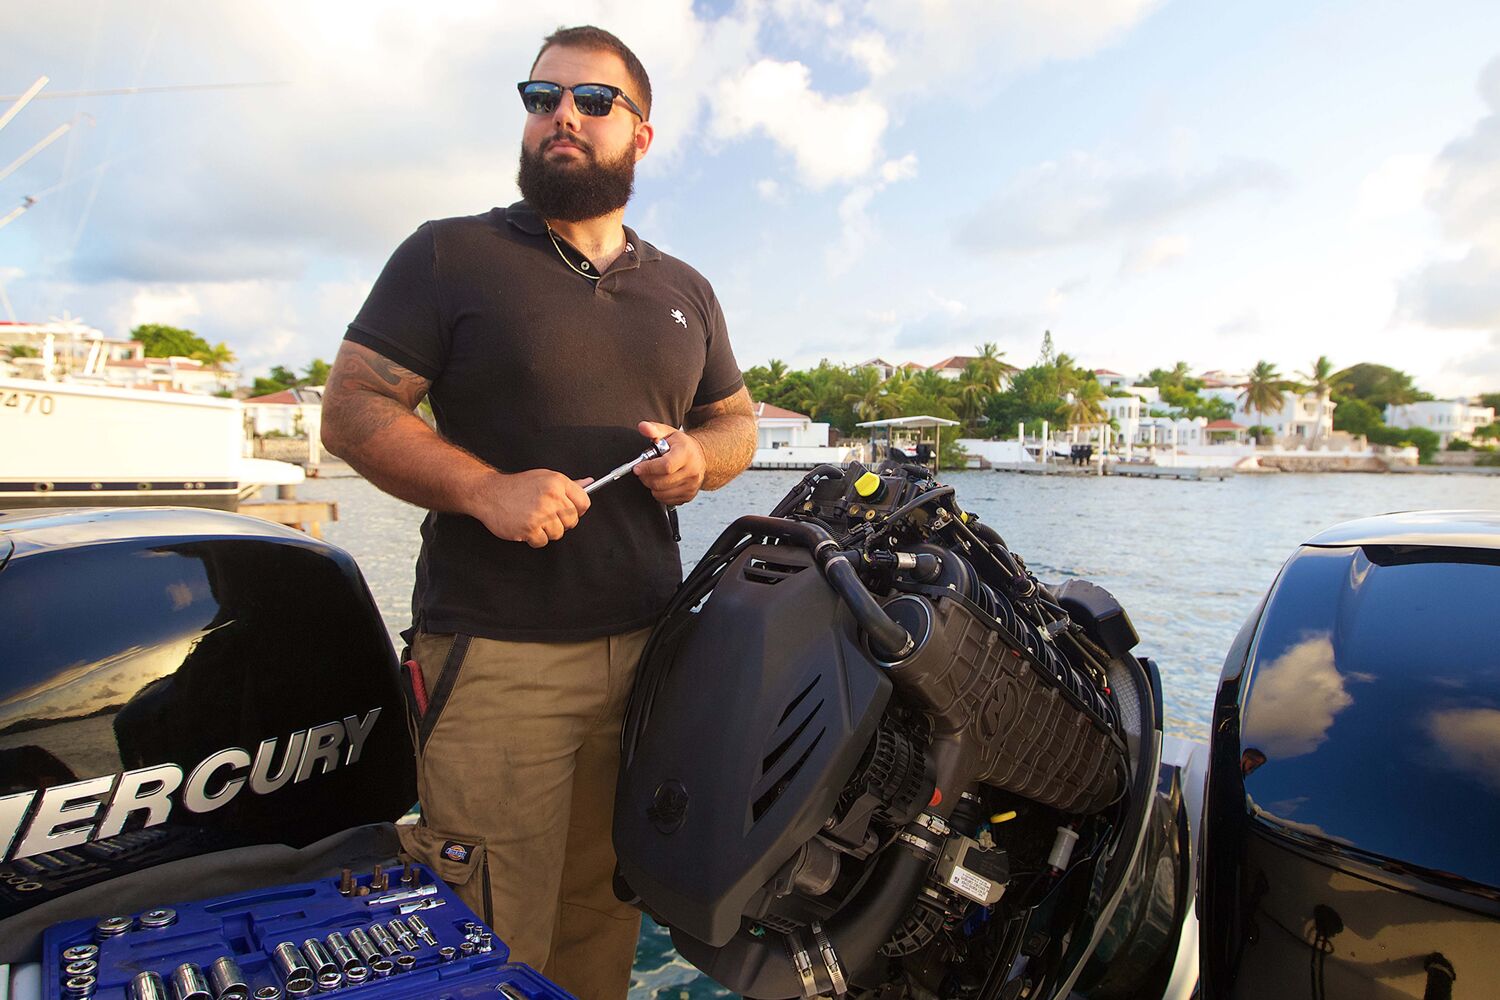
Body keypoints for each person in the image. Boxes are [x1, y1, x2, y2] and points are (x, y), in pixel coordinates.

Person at [320, 25, 756, 1000]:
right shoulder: (448, 255)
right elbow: (350, 408)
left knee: (605, 916)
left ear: (640, 135)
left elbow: (736, 422)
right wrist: (485, 489)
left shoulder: (687, 290)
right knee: (480, 936)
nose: (563, 114)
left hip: (650, 659)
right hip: (496, 661)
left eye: (593, 101)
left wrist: (699, 460)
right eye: (542, 96)